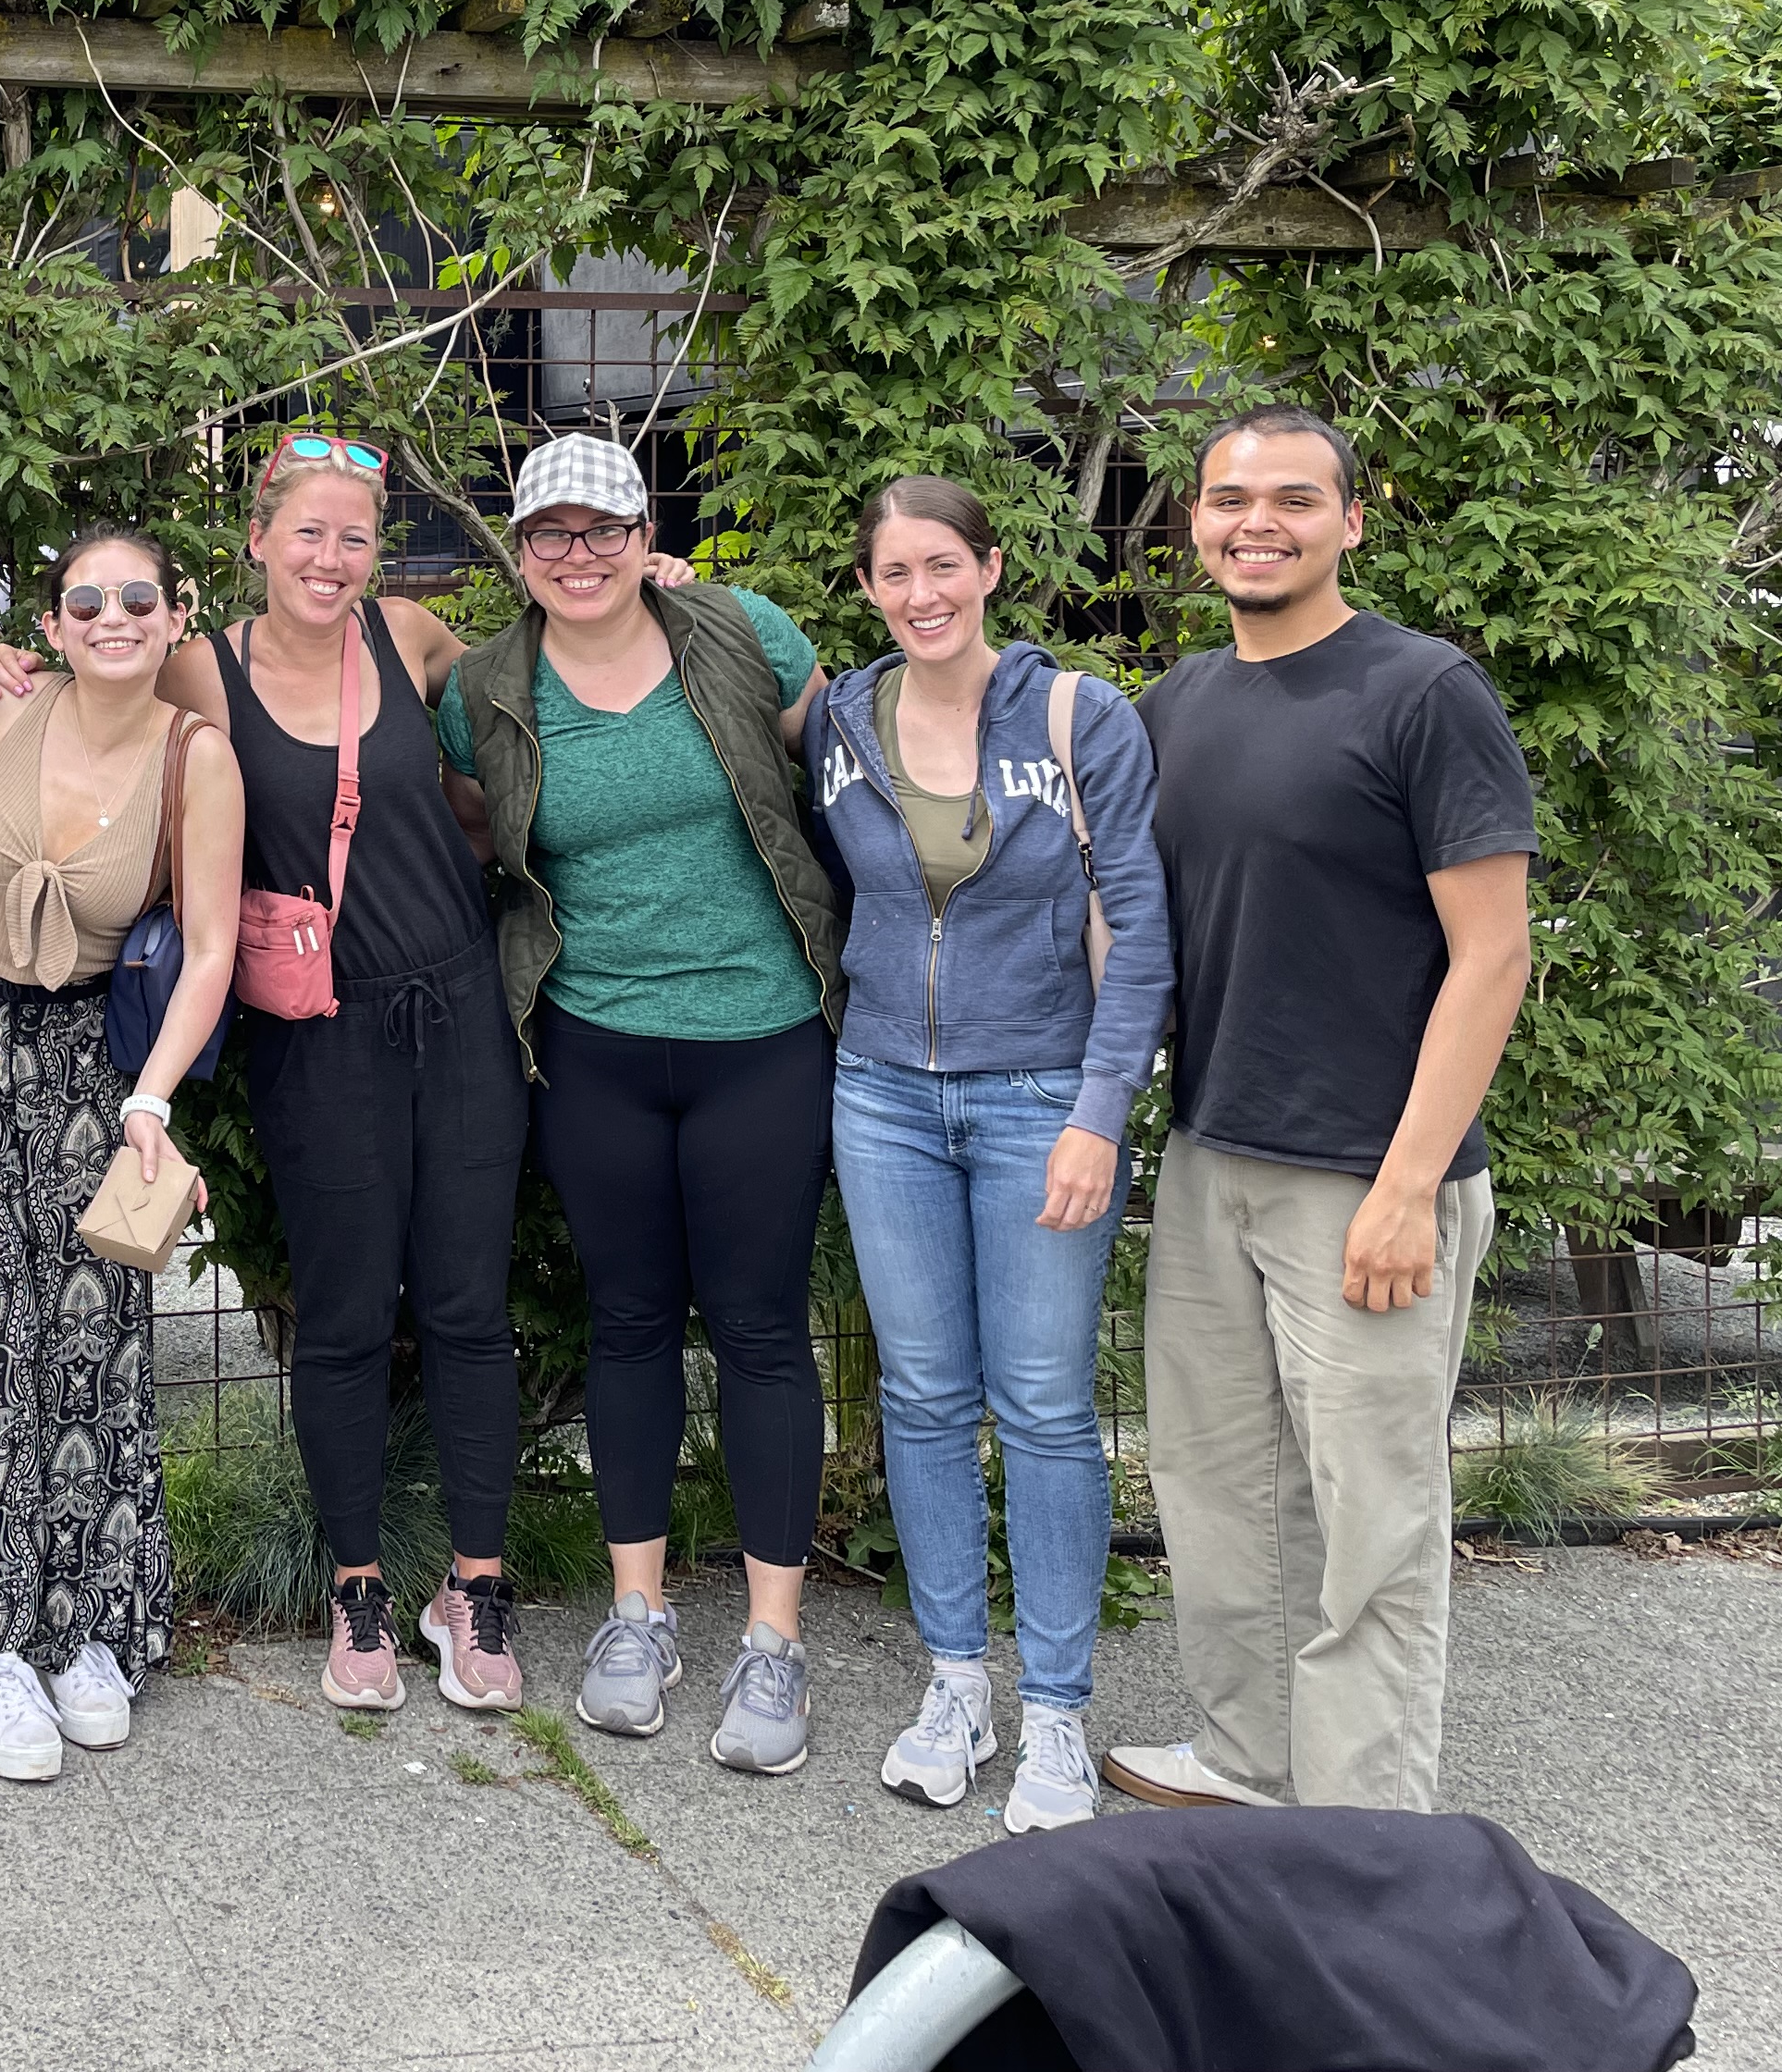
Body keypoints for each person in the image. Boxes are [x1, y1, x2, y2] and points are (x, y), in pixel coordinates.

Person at [0, 435, 538, 1710]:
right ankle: (358, 1594)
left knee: (464, 1307)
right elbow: (91, 698)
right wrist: (7, 666)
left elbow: (532, 689)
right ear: (256, 542)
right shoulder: (198, 665)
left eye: (353, 536)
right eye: (307, 534)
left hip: (453, 1007)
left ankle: (476, 1589)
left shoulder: (411, 637)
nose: (330, 559)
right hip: (310, 1027)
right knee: (341, 1317)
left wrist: (663, 591)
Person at [1106, 406, 1533, 1816]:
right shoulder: (1177, 706)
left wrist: (1411, 1182)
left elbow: (1492, 954)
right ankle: (1247, 1762)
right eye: (1230, 498)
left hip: (1369, 1176)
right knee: (1223, 1496)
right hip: (1215, 1156)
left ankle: (1361, 1829)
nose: (1256, 521)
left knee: (1372, 1520)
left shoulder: (1424, 693)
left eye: (1294, 498)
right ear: (1196, 528)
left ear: (1352, 522)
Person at [437, 433, 840, 1772]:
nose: (579, 555)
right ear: (518, 549)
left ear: (643, 531)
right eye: (549, 535)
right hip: (595, 1043)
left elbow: (850, 772)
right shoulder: (489, 689)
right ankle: (638, 1614)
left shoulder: (738, 629)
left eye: (603, 530)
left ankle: (774, 1643)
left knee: (763, 1328)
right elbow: (475, 831)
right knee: (626, 1325)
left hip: (764, 1033)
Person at [811, 475, 1175, 1832]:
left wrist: (1099, 1110)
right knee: (918, 1397)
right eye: (894, 574)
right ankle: (956, 1683)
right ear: (868, 590)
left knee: (1041, 1405)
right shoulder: (844, 719)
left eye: (944, 567)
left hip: (1042, 1101)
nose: (922, 595)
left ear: (991, 567)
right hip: (885, 1093)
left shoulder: (1083, 717)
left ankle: (1062, 1719)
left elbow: (1139, 928)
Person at [0, 524, 243, 1782]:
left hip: (98, 1056)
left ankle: (90, 1628)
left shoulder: (198, 760)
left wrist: (152, 1098)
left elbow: (208, 948)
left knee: (93, 1336)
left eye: (140, 597)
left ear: (178, 613)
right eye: (87, 600)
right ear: (53, 622)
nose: (113, 617)